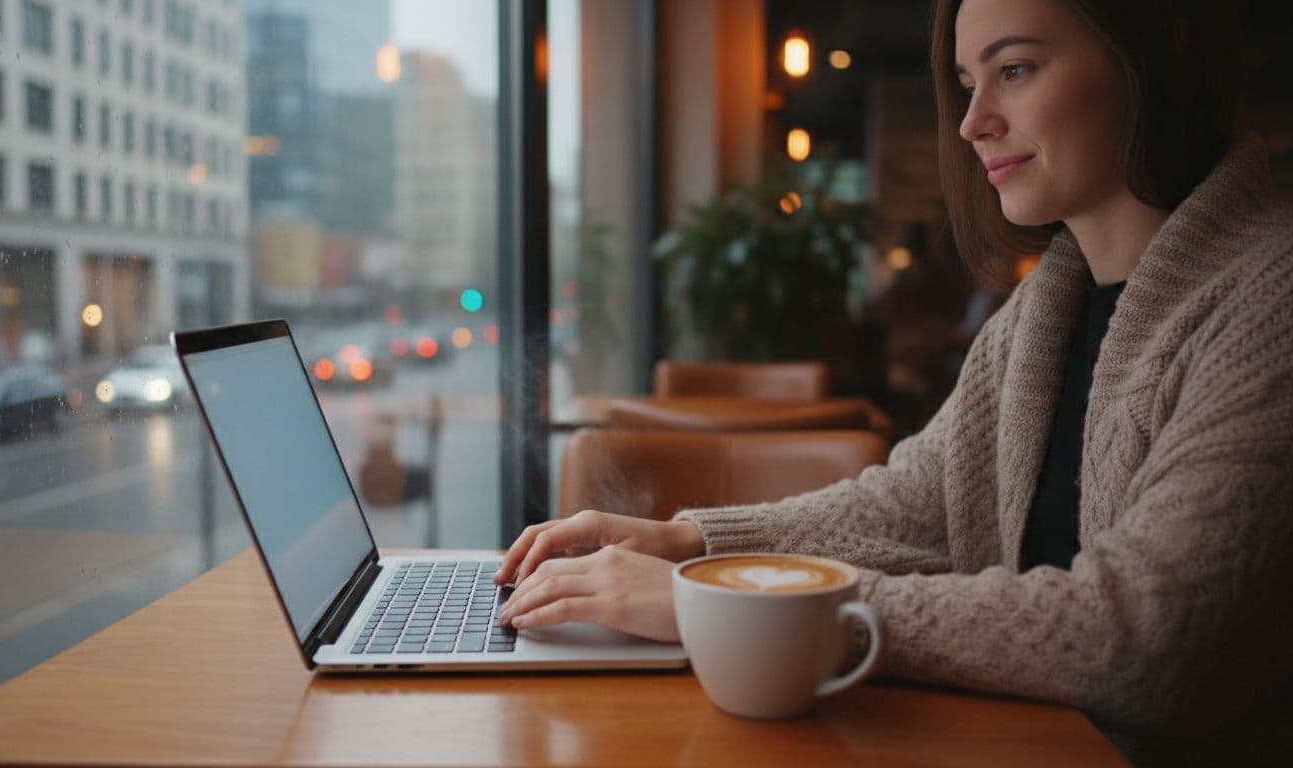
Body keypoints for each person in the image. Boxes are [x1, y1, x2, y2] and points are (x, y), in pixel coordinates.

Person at [495, 0, 1293, 763]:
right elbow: (914, 503)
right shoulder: (1045, 309)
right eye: (968, 83)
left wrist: (723, 605)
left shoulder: (1272, 303)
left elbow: (1150, 639)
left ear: (1156, 58)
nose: (973, 121)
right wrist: (689, 542)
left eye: (1013, 70)